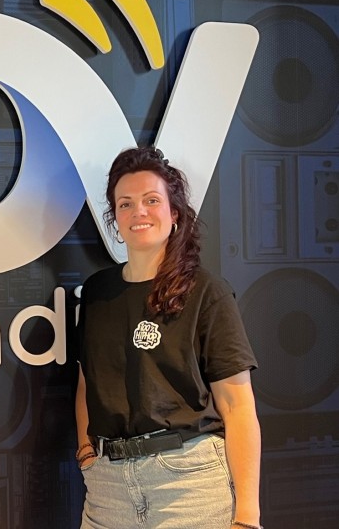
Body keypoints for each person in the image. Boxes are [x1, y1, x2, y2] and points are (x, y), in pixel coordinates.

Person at [75, 146, 261, 529]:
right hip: (108, 488)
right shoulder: (96, 292)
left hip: (188, 484)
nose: (138, 212)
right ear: (114, 217)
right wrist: (86, 453)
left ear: (174, 213)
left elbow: (238, 407)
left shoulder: (207, 292)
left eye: (151, 200)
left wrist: (247, 515)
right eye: (125, 204)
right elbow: (86, 381)